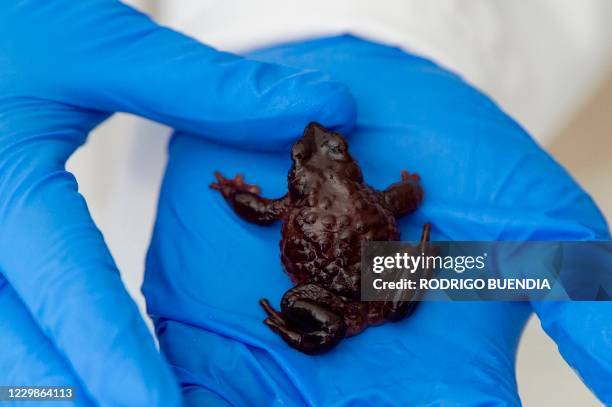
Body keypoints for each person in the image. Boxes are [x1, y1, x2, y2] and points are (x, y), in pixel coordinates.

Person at [1, 1, 610, 406]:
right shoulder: (365, 194)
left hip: (357, 275)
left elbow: (262, 212)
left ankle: (301, 319)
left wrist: (235, 192)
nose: (316, 151)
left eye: (327, 154)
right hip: (381, 273)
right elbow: (404, 197)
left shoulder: (292, 204)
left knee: (554, 269)